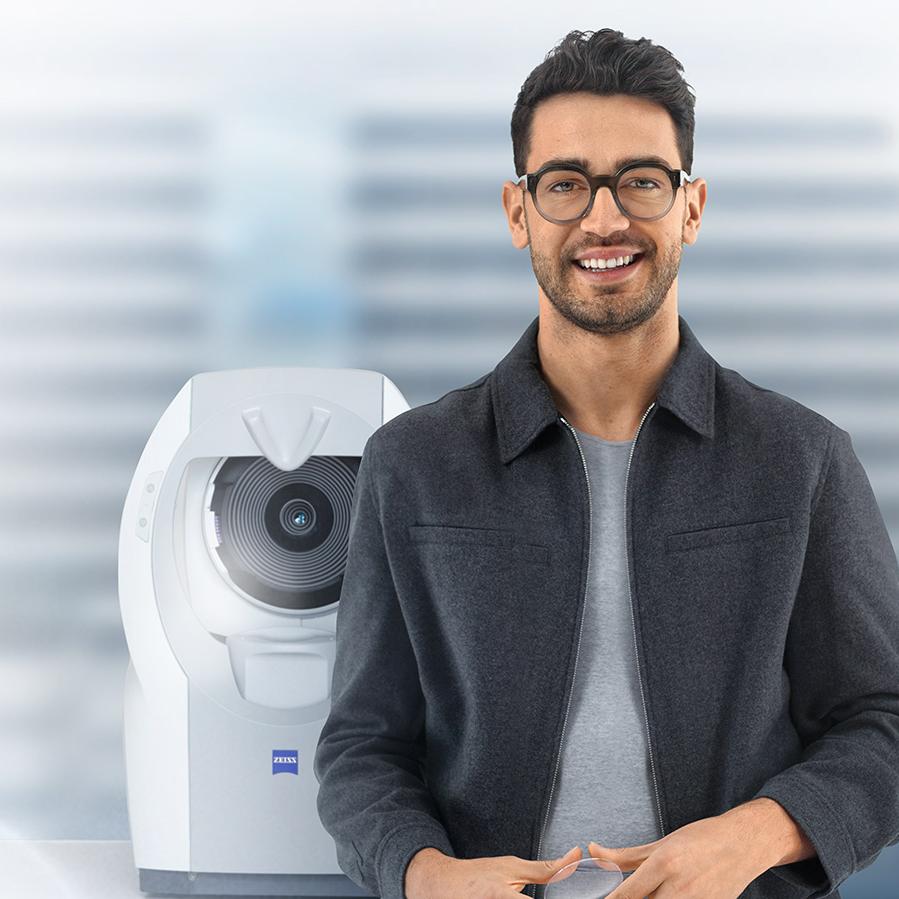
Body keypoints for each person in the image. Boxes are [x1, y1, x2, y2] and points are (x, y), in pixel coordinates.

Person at [313, 28, 899, 899]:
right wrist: (424, 874)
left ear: (690, 206)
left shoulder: (800, 459)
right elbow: (363, 745)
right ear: (519, 214)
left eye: (640, 181)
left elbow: (880, 724)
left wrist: (753, 835)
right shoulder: (413, 465)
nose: (604, 217)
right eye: (565, 184)